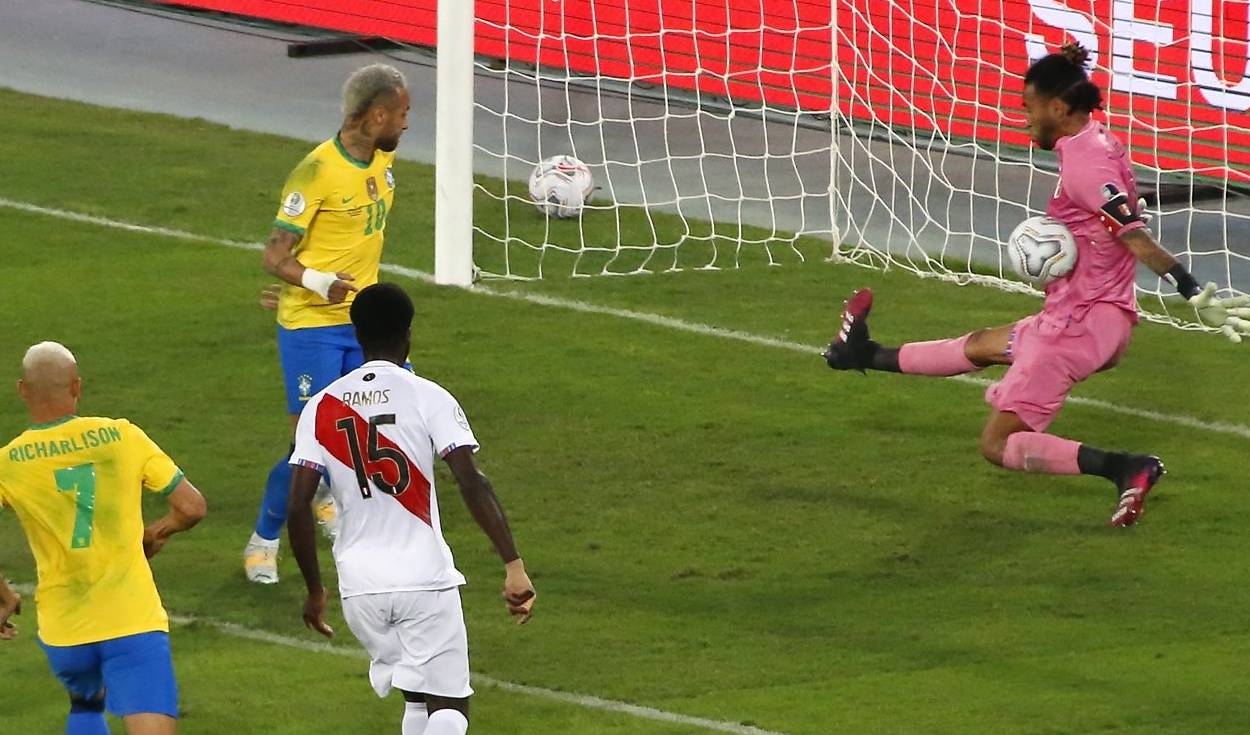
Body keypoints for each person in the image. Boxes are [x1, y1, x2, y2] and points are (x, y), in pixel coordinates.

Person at [823, 44, 1250, 527]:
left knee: (996, 443)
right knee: (983, 345)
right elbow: (1116, 213)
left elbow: (1136, 240)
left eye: (1029, 108)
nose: (1024, 119)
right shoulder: (1096, 142)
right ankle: (862, 353)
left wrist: (1192, 291)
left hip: (1079, 325)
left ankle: (1125, 468)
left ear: (1058, 109)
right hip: (1093, 316)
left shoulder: (1086, 165)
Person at [287, 283, 536, 735]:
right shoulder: (427, 396)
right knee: (450, 708)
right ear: (408, 335)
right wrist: (512, 564)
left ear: (357, 335)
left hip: (360, 587)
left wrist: (314, 589)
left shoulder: (319, 408)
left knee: (417, 696)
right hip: (422, 578)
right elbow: (470, 480)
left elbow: (298, 505)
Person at [245, 63, 410, 584]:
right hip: (313, 329)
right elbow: (275, 255)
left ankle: (328, 502)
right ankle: (263, 540)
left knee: (365, 430)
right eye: (402, 114)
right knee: (305, 447)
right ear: (377, 114)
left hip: (361, 325)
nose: (407, 124)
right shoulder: (315, 172)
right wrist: (312, 284)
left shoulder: (381, 167)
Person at [0, 342, 207, 734]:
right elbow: (192, 507)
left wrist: (3, 594)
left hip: (64, 627)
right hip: (131, 621)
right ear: (77, 386)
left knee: (86, 703)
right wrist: (156, 532)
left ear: (23, 390)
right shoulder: (121, 436)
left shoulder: (8, 462)